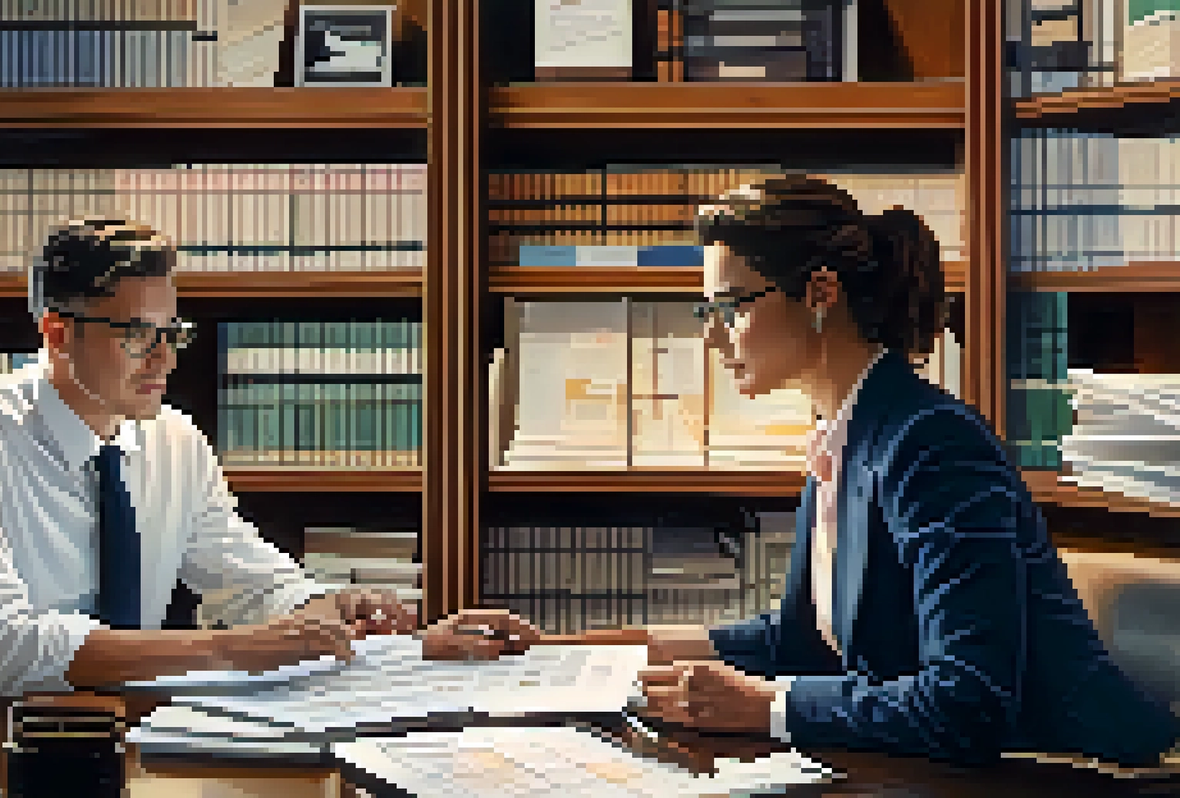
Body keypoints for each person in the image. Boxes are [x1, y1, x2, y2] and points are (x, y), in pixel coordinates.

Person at [456, 175, 1180, 768]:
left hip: (1073, 773)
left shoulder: (931, 442)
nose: (714, 338)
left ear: (820, 293)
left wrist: (766, 706)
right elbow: (798, 640)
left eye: (731, 307)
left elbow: (969, 702)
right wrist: (563, 649)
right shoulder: (843, 431)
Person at [0, 218, 502, 791]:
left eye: (172, 334)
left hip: (124, 733)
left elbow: (252, 584)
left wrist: (354, 620)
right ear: (58, 332)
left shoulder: (174, 440)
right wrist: (234, 648)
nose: (165, 359)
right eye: (137, 335)